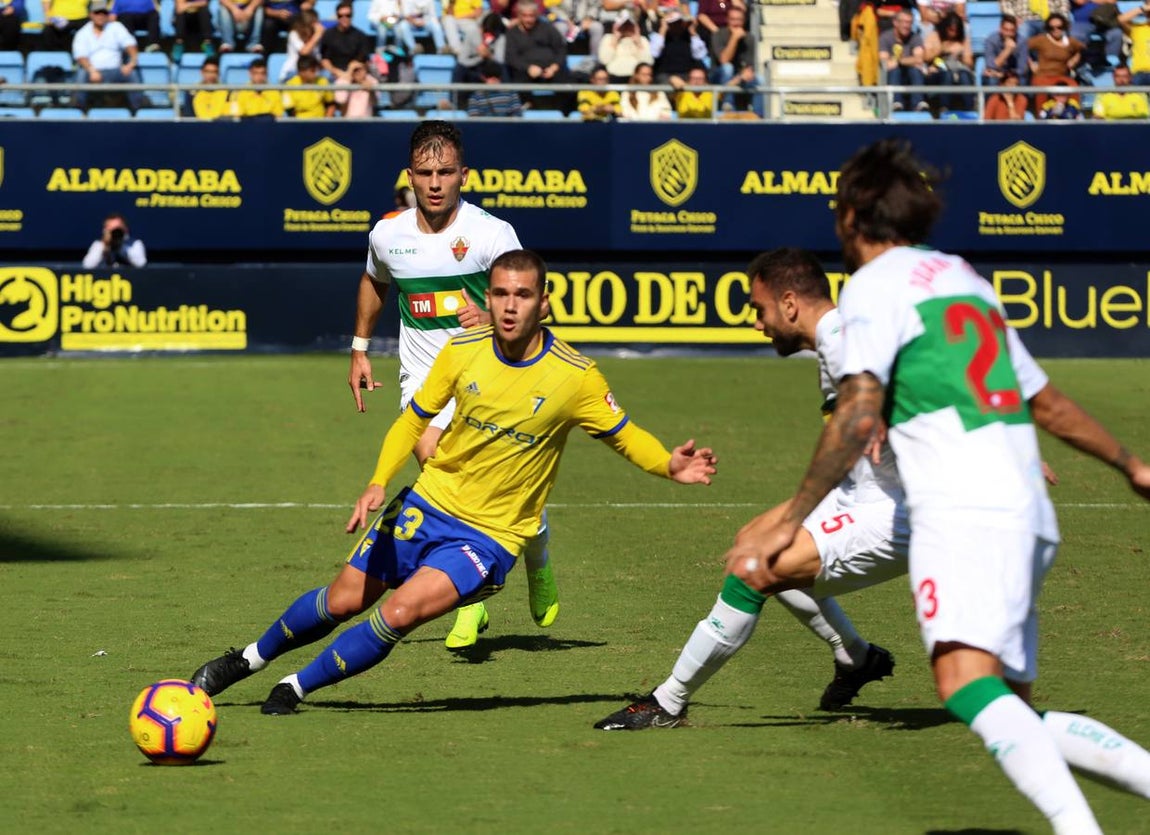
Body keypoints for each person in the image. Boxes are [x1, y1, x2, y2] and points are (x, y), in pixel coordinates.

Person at [728, 137, 1150, 832]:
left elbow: (858, 409)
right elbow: (1042, 401)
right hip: (1027, 509)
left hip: (963, 511)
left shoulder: (869, 289)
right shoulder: (959, 276)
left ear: (855, 217)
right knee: (1008, 705)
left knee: (964, 684)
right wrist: (1129, 463)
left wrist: (789, 518)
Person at [190, 249, 719, 715]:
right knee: (343, 599)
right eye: (501, 295)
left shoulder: (575, 376)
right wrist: (377, 482)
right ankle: (247, 660)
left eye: (523, 295)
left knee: (397, 613)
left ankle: (295, 687)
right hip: (429, 500)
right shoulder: (464, 348)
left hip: (487, 537)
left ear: (545, 303)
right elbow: (414, 418)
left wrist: (669, 465)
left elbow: (625, 436)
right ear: (488, 299)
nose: (511, 306)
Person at [595, 247, 903, 731]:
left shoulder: (843, 342)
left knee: (755, 568)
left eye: (759, 310)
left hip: (896, 509)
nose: (757, 323)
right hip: (860, 489)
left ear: (789, 303)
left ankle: (667, 701)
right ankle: (855, 656)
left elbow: (887, 402)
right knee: (750, 543)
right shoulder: (839, 337)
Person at [346, 121, 560, 652]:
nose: (435, 183)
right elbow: (375, 280)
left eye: (445, 172)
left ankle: (538, 560)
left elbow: (538, 301)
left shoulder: (492, 234)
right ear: (411, 176)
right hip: (423, 383)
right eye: (425, 173)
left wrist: (491, 313)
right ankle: (473, 604)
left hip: (488, 380)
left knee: (504, 497)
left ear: (464, 175)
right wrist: (358, 346)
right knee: (445, 477)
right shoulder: (388, 234)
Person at [72, 0, 145, 112]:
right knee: (81, 75)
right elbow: (81, 56)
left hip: (116, 71)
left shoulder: (116, 27)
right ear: (91, 14)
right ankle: (78, 111)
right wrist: (92, 71)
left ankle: (139, 111)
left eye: (104, 13)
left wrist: (131, 63)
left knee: (132, 74)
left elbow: (130, 44)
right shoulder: (83, 33)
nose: (101, 16)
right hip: (92, 71)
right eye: (97, 13)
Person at [505, 0, 575, 111]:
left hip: (551, 69)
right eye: (525, 16)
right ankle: (526, 111)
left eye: (531, 16)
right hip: (526, 71)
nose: (528, 19)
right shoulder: (512, 33)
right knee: (517, 82)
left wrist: (554, 67)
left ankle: (564, 114)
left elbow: (561, 49)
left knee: (568, 84)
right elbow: (511, 57)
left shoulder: (548, 28)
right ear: (519, 15)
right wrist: (528, 68)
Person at [1027, 11, 1083, 112]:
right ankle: (1041, 118)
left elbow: (1082, 49)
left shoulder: (1070, 41)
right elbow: (1023, 47)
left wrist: (1075, 58)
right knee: (1042, 90)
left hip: (1062, 76)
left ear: (1064, 27)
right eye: (1051, 28)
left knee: (1073, 87)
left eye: (1059, 27)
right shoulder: (1041, 40)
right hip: (1043, 75)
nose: (1056, 30)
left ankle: (1074, 116)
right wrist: (1030, 63)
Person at [923, 10, 974, 112]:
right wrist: (941, 49)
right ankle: (944, 108)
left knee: (964, 75)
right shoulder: (934, 36)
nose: (953, 33)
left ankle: (969, 109)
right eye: (951, 30)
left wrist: (961, 53)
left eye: (956, 31)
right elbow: (926, 57)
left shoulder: (963, 40)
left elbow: (970, 63)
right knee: (947, 74)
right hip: (937, 70)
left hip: (958, 69)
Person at [878, 8, 927, 111]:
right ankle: (896, 103)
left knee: (915, 71)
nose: (907, 26)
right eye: (904, 22)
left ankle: (918, 104)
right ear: (895, 23)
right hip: (892, 75)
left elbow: (919, 60)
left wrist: (900, 61)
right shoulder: (885, 38)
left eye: (909, 23)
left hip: (910, 75)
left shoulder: (915, 37)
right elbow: (886, 64)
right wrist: (909, 61)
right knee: (895, 71)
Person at [320, 1, 373, 75]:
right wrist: (337, 73)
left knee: (371, 83)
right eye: (340, 16)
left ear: (352, 15)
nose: (344, 18)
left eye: (348, 15)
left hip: (356, 73)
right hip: (333, 73)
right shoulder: (328, 34)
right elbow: (324, 60)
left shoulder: (360, 35)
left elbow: (364, 60)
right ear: (337, 16)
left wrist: (350, 73)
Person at [598, 13, 652, 82]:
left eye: (629, 25)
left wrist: (638, 44)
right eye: (623, 25)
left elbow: (647, 62)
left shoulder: (642, 40)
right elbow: (604, 60)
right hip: (614, 77)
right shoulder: (608, 38)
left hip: (635, 79)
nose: (626, 27)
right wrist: (614, 40)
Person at [82, 212, 147, 268]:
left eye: (117, 229)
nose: (114, 232)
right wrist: (105, 245)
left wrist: (121, 247)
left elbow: (141, 264)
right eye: (111, 229)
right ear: (105, 230)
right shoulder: (98, 244)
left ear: (125, 228)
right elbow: (87, 265)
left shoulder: (135, 244)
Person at [279, 8, 324, 81]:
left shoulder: (316, 36)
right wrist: (317, 35)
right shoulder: (294, 34)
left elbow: (318, 58)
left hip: (313, 72)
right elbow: (304, 52)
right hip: (293, 72)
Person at [980, 14, 1021, 86]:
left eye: (1012, 31)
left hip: (1012, 74)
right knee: (991, 78)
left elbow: (1022, 69)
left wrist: (1003, 75)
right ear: (1000, 29)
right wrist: (1007, 50)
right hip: (995, 74)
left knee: (1023, 79)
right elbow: (991, 66)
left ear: (1016, 30)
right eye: (1006, 30)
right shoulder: (991, 40)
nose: (1008, 34)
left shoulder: (1021, 41)